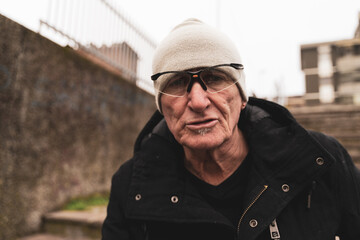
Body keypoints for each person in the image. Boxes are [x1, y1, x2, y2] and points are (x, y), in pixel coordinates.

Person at [102, 18, 360, 240]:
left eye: (214, 78)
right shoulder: (130, 187)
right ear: (162, 107)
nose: (199, 102)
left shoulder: (323, 162)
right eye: (178, 83)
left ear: (242, 97)